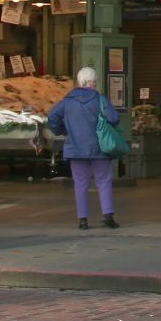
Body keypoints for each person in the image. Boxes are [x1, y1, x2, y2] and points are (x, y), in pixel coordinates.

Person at [48, 67, 122, 229]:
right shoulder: (100, 100)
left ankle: (83, 220)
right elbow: (114, 118)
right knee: (103, 181)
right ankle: (108, 216)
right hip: (99, 148)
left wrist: (62, 130)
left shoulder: (67, 101)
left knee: (80, 183)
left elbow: (52, 116)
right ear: (93, 82)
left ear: (79, 82)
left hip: (75, 148)